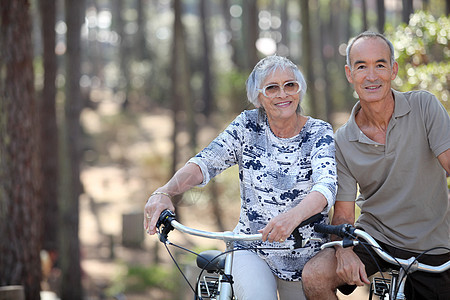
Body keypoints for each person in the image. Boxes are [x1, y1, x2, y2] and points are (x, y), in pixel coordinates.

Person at [144, 55, 337, 300]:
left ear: (300, 89)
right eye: (271, 88)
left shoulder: (318, 131)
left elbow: (326, 186)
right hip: (251, 247)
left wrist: (292, 217)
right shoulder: (247, 126)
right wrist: (165, 192)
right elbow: (205, 162)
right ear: (258, 97)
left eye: (290, 85)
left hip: (305, 257)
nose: (283, 94)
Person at [302, 31, 450, 299]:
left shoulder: (424, 106)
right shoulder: (342, 140)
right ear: (350, 74)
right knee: (315, 277)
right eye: (361, 66)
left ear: (392, 70)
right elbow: (344, 215)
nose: (371, 76)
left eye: (379, 65)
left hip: (435, 244)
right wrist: (344, 251)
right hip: (375, 239)